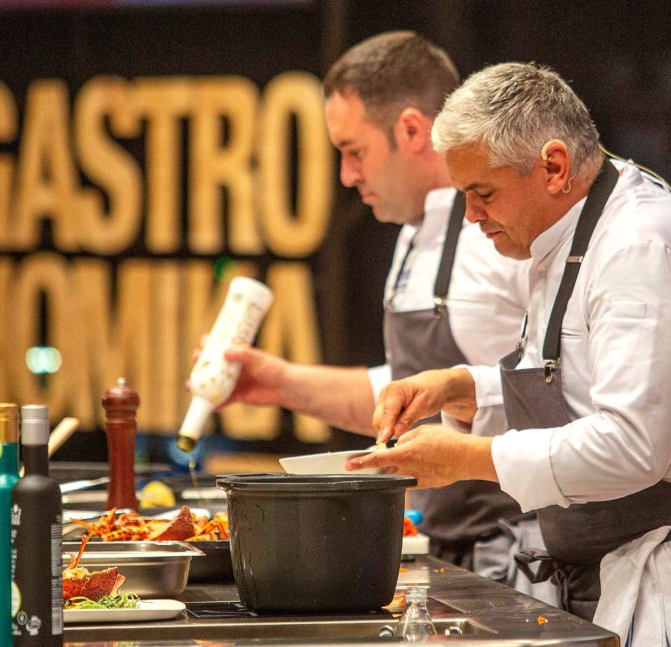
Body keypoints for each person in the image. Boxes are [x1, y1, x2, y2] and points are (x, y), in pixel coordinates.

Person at [346, 62, 671, 646]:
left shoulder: (640, 247)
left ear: (553, 167)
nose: (472, 216)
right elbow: (575, 381)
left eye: (483, 194)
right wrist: (464, 386)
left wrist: (470, 457)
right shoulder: (565, 230)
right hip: (614, 560)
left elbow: (630, 446)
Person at [217, 33, 553, 598]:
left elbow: (552, 391)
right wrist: (277, 383)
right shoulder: (411, 233)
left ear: (412, 130)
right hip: (444, 538)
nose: (347, 176)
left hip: (518, 546)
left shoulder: (504, 233)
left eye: (355, 151)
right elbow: (405, 395)